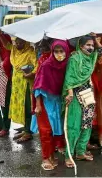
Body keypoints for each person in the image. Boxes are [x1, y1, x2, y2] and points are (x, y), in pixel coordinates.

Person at [62, 35, 102, 167]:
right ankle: (69, 155)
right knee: (74, 126)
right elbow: (69, 76)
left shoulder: (91, 58)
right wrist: (69, 93)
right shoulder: (74, 58)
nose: (91, 48)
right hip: (75, 95)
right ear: (81, 46)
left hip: (88, 94)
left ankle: (80, 152)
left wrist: (95, 39)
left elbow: (101, 51)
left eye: (92, 45)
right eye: (88, 45)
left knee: (87, 124)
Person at [30, 40, 69, 171]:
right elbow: (38, 87)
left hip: (59, 102)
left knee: (56, 131)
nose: (59, 54)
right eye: (56, 51)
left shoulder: (66, 65)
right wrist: (38, 105)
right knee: (46, 131)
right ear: (52, 52)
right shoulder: (46, 66)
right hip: (45, 102)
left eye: (61, 51)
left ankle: (52, 155)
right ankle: (46, 158)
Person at [0, 36, 37, 143]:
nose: (18, 45)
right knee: (19, 107)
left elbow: (37, 66)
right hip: (16, 85)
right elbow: (7, 45)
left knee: (27, 108)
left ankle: (28, 133)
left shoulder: (30, 52)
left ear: (26, 43)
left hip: (26, 85)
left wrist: (31, 74)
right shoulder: (14, 50)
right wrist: (1, 34)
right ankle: (26, 129)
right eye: (16, 42)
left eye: (21, 43)